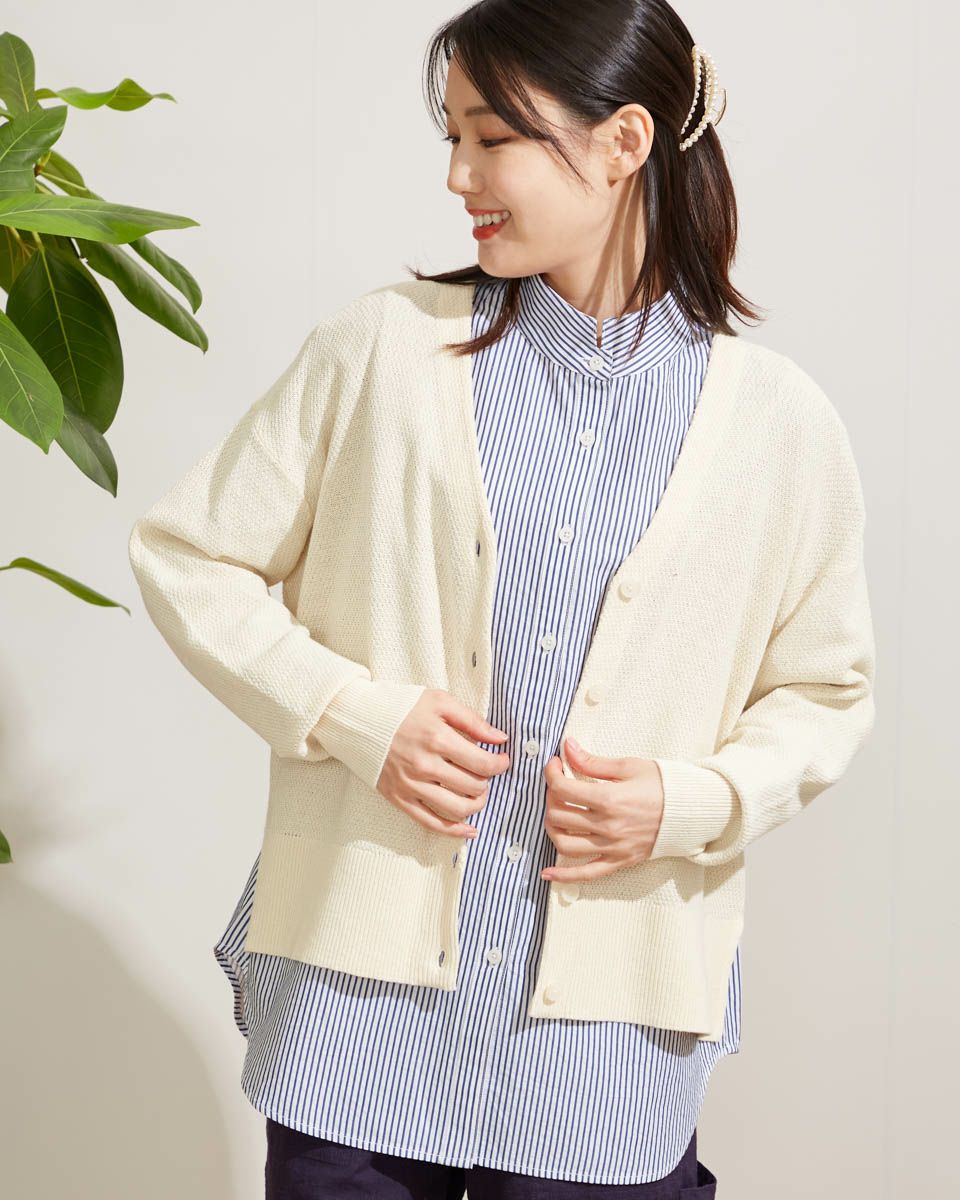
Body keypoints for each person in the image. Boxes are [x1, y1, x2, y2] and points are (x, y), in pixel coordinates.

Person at [128, 2, 876, 1197]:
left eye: (492, 139)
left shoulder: (779, 426)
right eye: (453, 138)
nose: (457, 175)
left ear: (624, 142)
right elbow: (188, 554)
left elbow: (825, 691)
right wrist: (354, 717)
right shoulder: (381, 352)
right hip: (361, 1021)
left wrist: (689, 802)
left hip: (604, 1049)